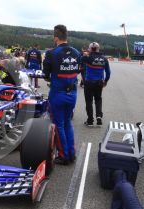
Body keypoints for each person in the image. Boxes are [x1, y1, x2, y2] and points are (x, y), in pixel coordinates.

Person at [43, 24, 81, 165]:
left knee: (59, 125)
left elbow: (46, 75)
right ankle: (72, 153)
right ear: (67, 37)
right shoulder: (77, 53)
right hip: (72, 94)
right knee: (68, 123)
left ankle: (64, 156)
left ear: (56, 38)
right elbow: (77, 71)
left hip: (58, 94)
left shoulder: (51, 53)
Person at [81, 42, 111, 127]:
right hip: (99, 82)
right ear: (98, 49)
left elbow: (80, 63)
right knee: (98, 99)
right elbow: (108, 72)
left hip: (89, 82)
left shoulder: (88, 57)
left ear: (90, 49)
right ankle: (98, 116)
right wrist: (105, 81)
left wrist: (84, 55)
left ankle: (90, 120)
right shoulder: (104, 59)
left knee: (89, 101)